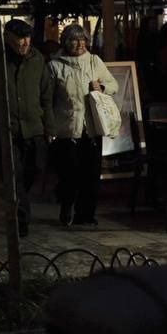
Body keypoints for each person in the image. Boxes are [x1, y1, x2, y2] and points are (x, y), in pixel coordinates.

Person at [0, 19, 51, 237]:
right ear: (7, 37)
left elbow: (46, 95)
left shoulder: (37, 59)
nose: (24, 43)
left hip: (34, 128)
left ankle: (17, 204)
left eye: (27, 38)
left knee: (34, 169)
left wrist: (48, 127)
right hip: (4, 129)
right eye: (20, 39)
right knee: (13, 175)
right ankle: (20, 220)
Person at [43, 24, 117, 227]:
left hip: (92, 128)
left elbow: (113, 85)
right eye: (74, 40)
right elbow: (47, 99)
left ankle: (86, 215)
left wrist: (101, 87)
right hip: (66, 130)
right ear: (65, 43)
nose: (79, 44)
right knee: (69, 175)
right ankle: (67, 208)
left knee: (91, 175)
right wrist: (49, 128)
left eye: (82, 40)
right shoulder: (55, 66)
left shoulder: (94, 61)